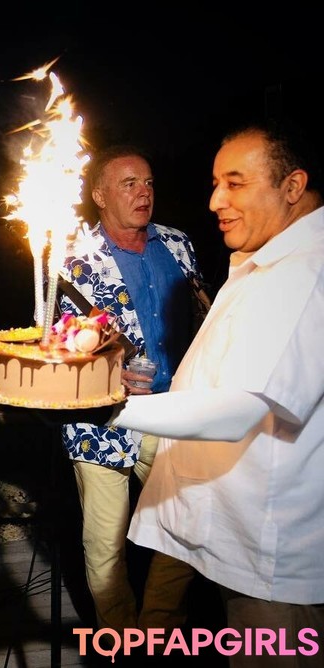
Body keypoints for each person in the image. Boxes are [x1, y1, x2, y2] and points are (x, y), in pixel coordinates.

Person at [111, 120, 323, 665]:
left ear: (293, 187)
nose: (215, 201)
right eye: (214, 184)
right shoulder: (267, 259)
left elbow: (237, 410)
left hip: (272, 563)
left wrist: (105, 409)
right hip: (241, 538)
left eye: (235, 183)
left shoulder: (303, 272)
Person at [58, 145, 209, 633]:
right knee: (105, 545)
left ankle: (157, 629)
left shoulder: (178, 243)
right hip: (102, 419)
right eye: (128, 184)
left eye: (148, 183)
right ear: (100, 195)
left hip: (173, 411)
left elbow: (201, 314)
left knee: (186, 523)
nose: (143, 193)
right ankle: (120, 640)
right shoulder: (73, 257)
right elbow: (58, 342)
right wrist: (104, 372)